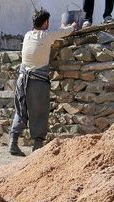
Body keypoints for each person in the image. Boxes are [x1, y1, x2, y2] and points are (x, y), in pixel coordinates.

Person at [9, 9, 76, 156]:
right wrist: (73, 26)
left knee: (20, 111)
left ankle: (13, 142)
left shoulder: (27, 35)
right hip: (37, 82)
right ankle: (37, 146)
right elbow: (64, 32)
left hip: (21, 80)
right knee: (39, 113)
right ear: (45, 22)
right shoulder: (46, 36)